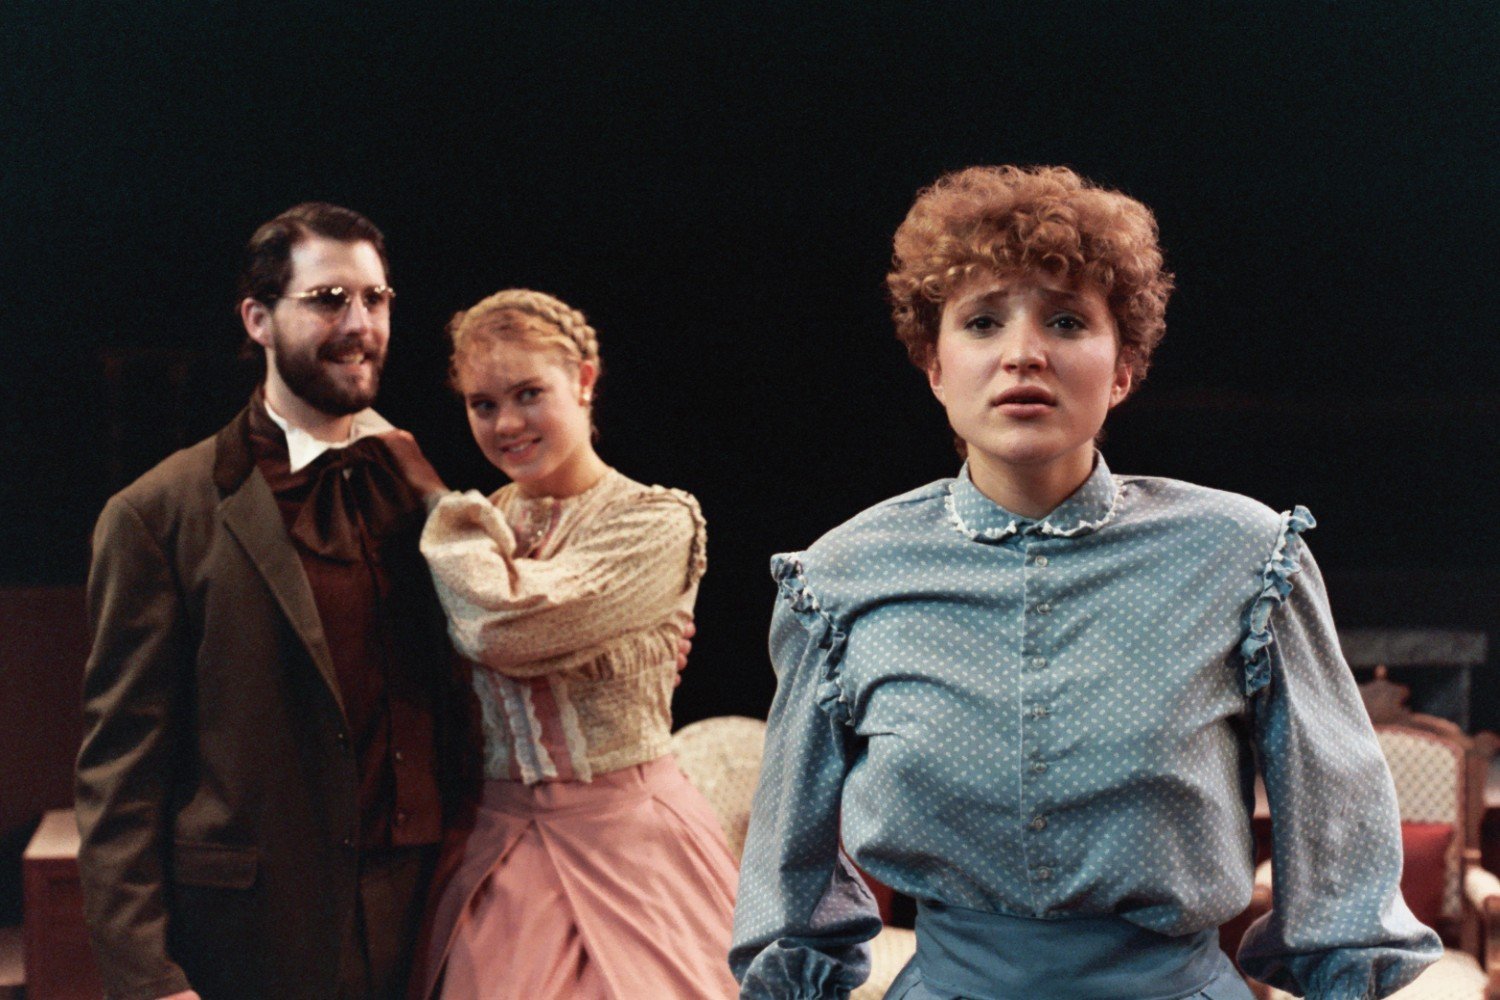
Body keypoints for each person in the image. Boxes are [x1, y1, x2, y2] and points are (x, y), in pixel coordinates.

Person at [730, 166, 1441, 1000]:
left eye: (1066, 320)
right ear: (934, 366)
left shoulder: (1243, 557)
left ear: (1124, 367)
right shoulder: (844, 578)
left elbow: (1336, 825)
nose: (1023, 353)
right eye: (982, 321)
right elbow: (790, 873)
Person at [74, 202, 479, 1000]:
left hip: (432, 925)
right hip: (256, 939)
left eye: (376, 299)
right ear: (257, 319)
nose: (359, 324)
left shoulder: (424, 491)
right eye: (329, 300)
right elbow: (121, 776)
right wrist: (148, 979)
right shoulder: (158, 515)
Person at [380, 288, 739, 999]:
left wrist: (437, 503)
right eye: (483, 404)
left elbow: (506, 627)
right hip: (494, 847)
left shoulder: (654, 521)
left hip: (633, 845)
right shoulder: (484, 524)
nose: (507, 423)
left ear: (583, 380)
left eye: (528, 393)